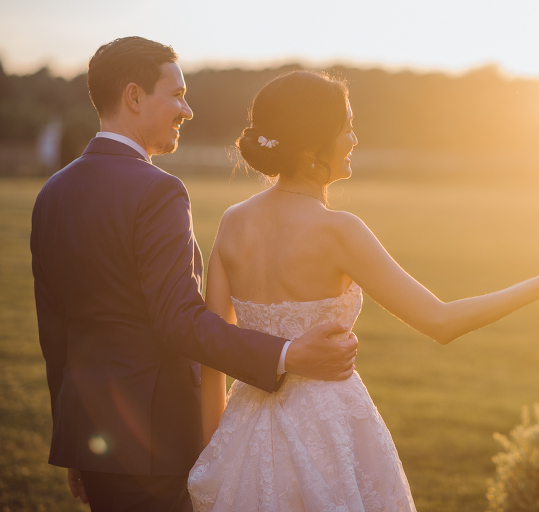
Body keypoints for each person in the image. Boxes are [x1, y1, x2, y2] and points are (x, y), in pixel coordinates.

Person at [187, 70, 539, 511]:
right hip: (328, 432)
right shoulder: (340, 232)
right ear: (312, 147)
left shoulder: (233, 222)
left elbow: (213, 354)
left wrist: (216, 453)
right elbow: (441, 321)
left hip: (244, 428)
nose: (353, 137)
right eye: (346, 126)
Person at [30, 38, 358, 512]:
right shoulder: (157, 191)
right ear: (134, 97)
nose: (187, 109)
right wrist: (288, 353)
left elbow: (53, 333)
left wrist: (74, 441)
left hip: (91, 439)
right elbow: (179, 322)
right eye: (177, 94)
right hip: (154, 442)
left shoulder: (52, 193)